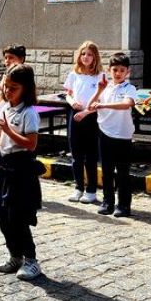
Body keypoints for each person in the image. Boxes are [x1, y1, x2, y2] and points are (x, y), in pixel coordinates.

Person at [0, 63, 44, 281]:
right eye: (6, 86)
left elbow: (31, 144)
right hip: (2, 164)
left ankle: (31, 259)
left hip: (20, 166)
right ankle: (14, 254)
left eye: (13, 87)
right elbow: (0, 136)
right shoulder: (6, 108)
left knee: (16, 214)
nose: (7, 91)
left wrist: (8, 130)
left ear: (25, 88)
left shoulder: (29, 113)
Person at [91, 53, 137, 217]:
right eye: (115, 70)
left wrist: (103, 105)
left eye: (121, 70)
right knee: (107, 170)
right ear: (109, 70)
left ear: (128, 72)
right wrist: (99, 91)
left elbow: (126, 105)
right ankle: (107, 202)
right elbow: (90, 106)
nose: (118, 73)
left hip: (123, 135)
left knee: (123, 172)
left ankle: (124, 205)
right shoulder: (105, 87)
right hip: (105, 133)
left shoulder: (129, 88)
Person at [64, 41, 106, 205]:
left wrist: (86, 112)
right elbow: (68, 93)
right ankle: (78, 187)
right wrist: (72, 102)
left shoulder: (100, 75)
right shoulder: (74, 74)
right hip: (75, 114)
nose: (86, 57)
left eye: (89, 54)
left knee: (91, 155)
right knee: (76, 154)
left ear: (95, 57)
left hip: (92, 116)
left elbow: (102, 99)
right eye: (83, 54)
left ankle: (91, 190)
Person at [0, 44, 27, 122]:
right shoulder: (6, 75)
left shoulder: (25, 74)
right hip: (4, 115)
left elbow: (25, 93)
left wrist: (2, 87)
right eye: (5, 58)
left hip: (19, 116)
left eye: (11, 57)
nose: (7, 61)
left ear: (21, 59)